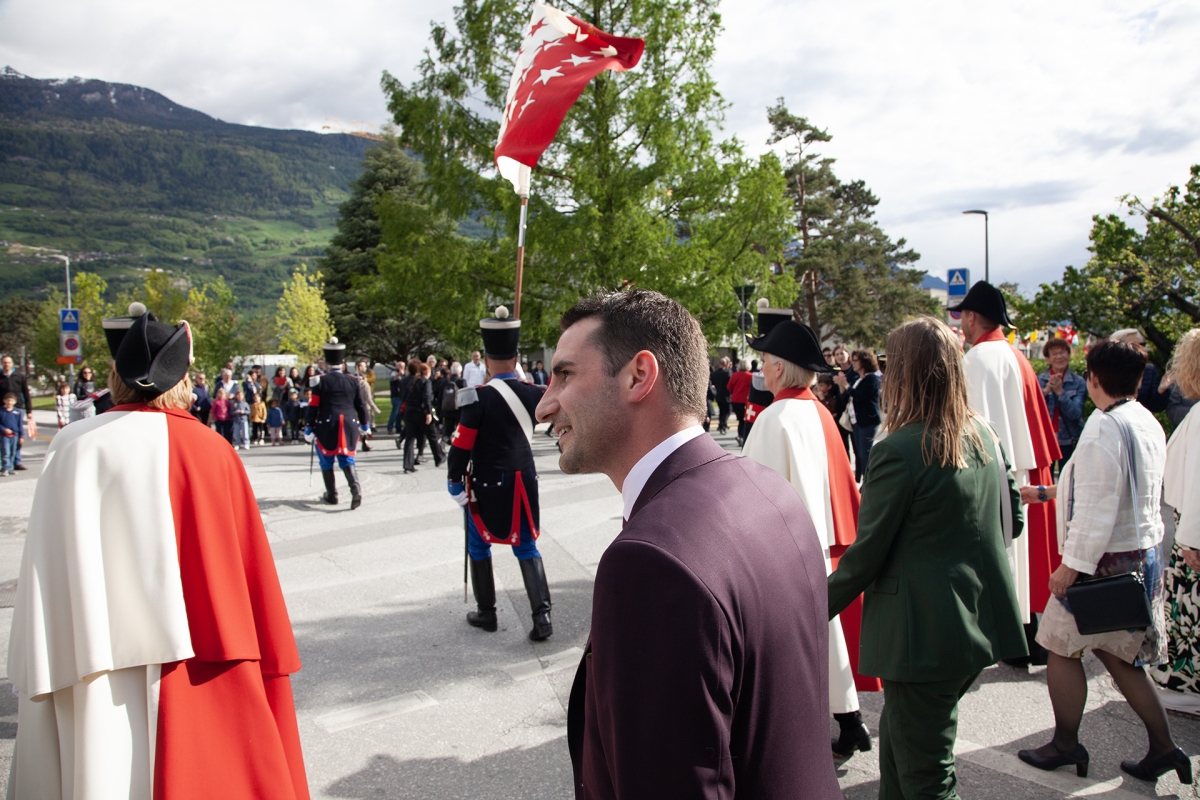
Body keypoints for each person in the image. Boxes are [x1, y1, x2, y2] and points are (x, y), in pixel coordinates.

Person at [534, 289, 841, 798]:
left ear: (639, 376)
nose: (545, 405)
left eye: (565, 374)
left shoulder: (649, 561)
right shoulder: (769, 489)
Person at [5, 311, 309, 799]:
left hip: (89, 656)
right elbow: (246, 574)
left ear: (116, 375)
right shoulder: (213, 450)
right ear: (183, 378)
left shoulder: (74, 446)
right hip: (198, 657)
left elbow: (47, 566)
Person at [829, 316, 1027, 800]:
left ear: (905, 374)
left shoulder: (899, 449)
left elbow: (864, 557)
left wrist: (801, 608)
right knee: (900, 759)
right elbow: (1014, 520)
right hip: (974, 622)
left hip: (922, 636)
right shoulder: (983, 434)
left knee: (926, 779)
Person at [1016, 339, 1191, 785]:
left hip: (1101, 563)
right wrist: (1049, 493)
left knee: (1058, 645)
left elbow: (1097, 506)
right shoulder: (1144, 419)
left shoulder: (1103, 426)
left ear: (1093, 379)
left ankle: (1066, 743)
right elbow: (1119, 486)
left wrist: (1070, 566)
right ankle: (1164, 747)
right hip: (1139, 556)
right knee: (1120, 656)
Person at [741, 319, 882, 759]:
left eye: (765, 360)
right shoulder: (820, 412)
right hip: (827, 540)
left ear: (781, 368)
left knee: (800, 646)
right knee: (830, 637)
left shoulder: (774, 419)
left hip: (790, 550)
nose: (762, 369)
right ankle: (850, 721)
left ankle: (813, 735)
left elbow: (752, 499)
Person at [952, 281, 1061, 664]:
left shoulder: (976, 360)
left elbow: (972, 427)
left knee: (1004, 558)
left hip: (996, 471)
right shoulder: (1017, 356)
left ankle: (1012, 639)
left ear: (972, 317)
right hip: (1023, 465)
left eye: (962, 316)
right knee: (1023, 559)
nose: (960, 323)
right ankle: (1028, 635)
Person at [447, 307, 553, 642]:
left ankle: (487, 613)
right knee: (526, 546)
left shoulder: (477, 399)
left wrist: (453, 481)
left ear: (487, 362)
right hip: (523, 482)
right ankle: (542, 617)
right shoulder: (534, 394)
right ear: (516, 359)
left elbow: (461, 446)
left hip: (487, 484)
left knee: (478, 544)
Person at [1152, 329, 1200, 712]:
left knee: (1190, 613)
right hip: (1190, 524)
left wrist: (1191, 538)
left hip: (1193, 528)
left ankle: (1188, 686)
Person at [305, 338, 367, 509]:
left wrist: (308, 427)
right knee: (347, 458)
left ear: (326, 363)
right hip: (349, 423)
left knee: (326, 460)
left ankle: (332, 495)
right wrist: (365, 424)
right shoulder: (353, 381)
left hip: (327, 424)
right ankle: (356, 490)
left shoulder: (320, 381)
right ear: (342, 362)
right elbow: (360, 405)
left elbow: (313, 406)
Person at [1038, 338, 1087, 468]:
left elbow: (1075, 413)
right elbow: (1032, 410)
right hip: (1045, 438)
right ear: (1048, 359)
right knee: (1045, 478)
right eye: (1054, 354)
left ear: (1069, 355)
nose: (1059, 357)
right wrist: (1045, 391)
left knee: (1067, 477)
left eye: (1062, 352)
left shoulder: (1079, 382)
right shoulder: (1039, 381)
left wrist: (1060, 392)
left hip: (1069, 439)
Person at [835, 350, 882, 482]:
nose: (853, 363)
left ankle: (870, 481)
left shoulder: (871, 379)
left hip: (868, 421)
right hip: (856, 421)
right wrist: (842, 386)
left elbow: (860, 396)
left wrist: (846, 384)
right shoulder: (858, 379)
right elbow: (846, 398)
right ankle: (864, 480)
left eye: (856, 360)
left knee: (865, 453)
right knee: (860, 453)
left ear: (864, 362)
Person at [1111, 329, 1173, 413]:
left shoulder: (1149, 370)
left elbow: (1155, 407)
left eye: (1142, 344)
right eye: (1134, 345)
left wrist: (1161, 391)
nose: (1140, 348)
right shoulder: (1108, 371)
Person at [403, 361, 444, 472]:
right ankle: (439, 457)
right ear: (426, 372)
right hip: (421, 412)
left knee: (410, 438)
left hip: (409, 411)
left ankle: (407, 464)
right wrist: (429, 412)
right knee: (432, 435)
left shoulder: (411, 382)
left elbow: (404, 396)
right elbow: (427, 397)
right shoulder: (426, 382)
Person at [0, 354, 34, 471]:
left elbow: (26, 393)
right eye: (5, 362)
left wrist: (29, 410)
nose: (7, 364)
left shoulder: (19, 376)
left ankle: (17, 462)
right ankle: (5, 463)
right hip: (3, 410)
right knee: (3, 437)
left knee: (17, 435)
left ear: (12, 364)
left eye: (8, 362)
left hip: (17, 408)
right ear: (2, 363)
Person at [355, 359, 380, 452]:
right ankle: (364, 442)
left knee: (360, 426)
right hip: (364, 407)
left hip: (357, 407)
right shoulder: (364, 385)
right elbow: (369, 399)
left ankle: (364, 442)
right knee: (364, 425)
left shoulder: (366, 376)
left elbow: (373, 378)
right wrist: (376, 409)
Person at [727, 358, 751, 446]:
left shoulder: (734, 375)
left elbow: (729, 387)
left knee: (741, 420)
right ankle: (743, 436)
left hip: (735, 400)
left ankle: (740, 436)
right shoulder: (751, 376)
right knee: (745, 421)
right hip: (745, 401)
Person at [0, 392, 20, 476]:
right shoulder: (1, 411)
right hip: (4, 435)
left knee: (12, 452)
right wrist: (4, 429)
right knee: (6, 452)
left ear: (14, 402)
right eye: (7, 400)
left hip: (14, 435)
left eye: (11, 400)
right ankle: (5, 468)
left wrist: (21, 435)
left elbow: (19, 424)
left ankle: (11, 468)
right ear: (4, 401)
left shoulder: (17, 412)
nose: (9, 402)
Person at [389, 359, 411, 436]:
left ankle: (398, 427)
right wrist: (399, 374)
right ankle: (390, 427)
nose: (401, 367)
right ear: (397, 366)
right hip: (396, 396)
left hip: (402, 396)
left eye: (403, 366)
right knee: (395, 412)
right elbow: (392, 379)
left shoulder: (405, 374)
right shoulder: (394, 372)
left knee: (400, 413)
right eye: (400, 366)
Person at [711, 356, 732, 434]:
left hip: (718, 394)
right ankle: (722, 425)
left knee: (721, 411)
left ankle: (721, 425)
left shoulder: (715, 373)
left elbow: (713, 383)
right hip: (727, 395)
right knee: (728, 411)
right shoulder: (728, 372)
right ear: (726, 364)